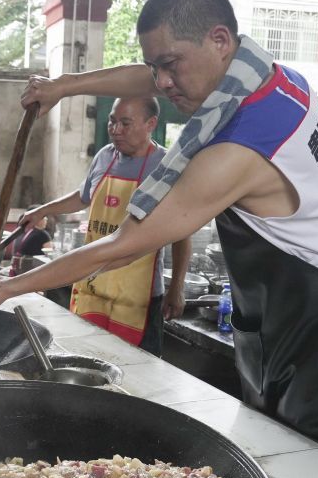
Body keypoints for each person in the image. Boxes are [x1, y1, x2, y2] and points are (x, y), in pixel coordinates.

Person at [0, 0, 318, 464]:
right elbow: (145, 75)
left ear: (219, 40)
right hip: (299, 322)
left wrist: (5, 290)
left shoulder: (239, 148)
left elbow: (123, 246)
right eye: (157, 68)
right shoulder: (270, 78)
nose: (162, 83)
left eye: (171, 66)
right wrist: (65, 87)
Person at [18, 97, 192, 356]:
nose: (116, 130)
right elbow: (83, 196)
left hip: (138, 298)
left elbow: (182, 233)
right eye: (112, 121)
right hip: (93, 287)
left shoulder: (166, 167)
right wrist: (44, 210)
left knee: (136, 373)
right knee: (87, 361)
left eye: (125, 123)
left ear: (151, 124)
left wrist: (177, 287)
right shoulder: (104, 156)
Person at [8, 205, 53, 277]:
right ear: (36, 219)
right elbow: (50, 255)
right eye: (44, 217)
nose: (46, 219)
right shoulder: (43, 234)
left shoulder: (21, 231)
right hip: (31, 272)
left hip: (16, 270)